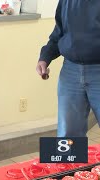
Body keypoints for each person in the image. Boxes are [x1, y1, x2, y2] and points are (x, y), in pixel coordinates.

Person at [36, 0, 100, 137]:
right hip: (70, 73)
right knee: (67, 137)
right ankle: (70, 158)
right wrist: (45, 57)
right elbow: (59, 32)